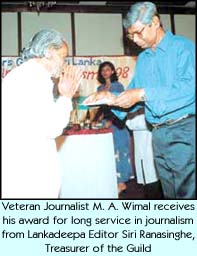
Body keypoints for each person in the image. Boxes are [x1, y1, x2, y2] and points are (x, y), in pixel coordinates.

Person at [83, 2, 195, 199]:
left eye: (138, 32)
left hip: (184, 129)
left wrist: (143, 93)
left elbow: (189, 88)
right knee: (169, 194)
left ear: (155, 22)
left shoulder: (182, 47)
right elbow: (132, 94)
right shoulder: (143, 59)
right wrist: (111, 99)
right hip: (158, 134)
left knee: (187, 193)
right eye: (130, 36)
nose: (135, 40)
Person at [2, 29, 82, 198]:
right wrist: (65, 97)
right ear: (49, 52)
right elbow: (52, 128)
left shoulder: (19, 74)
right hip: (30, 176)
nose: (64, 63)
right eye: (63, 57)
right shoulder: (36, 78)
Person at [93, 61, 133, 193]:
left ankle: (122, 183)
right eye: (102, 70)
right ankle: (112, 182)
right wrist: (95, 120)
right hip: (104, 125)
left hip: (117, 124)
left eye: (108, 69)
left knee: (120, 152)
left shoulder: (118, 86)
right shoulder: (100, 89)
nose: (105, 72)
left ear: (113, 71)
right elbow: (101, 108)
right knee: (108, 153)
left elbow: (120, 107)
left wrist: (111, 120)